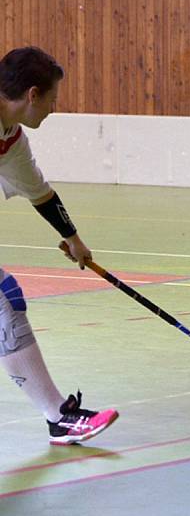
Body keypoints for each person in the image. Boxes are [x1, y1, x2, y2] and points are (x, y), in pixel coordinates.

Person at [0, 47, 118, 445]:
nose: (53, 108)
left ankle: (58, 417)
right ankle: (57, 416)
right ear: (32, 94)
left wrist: (74, 240)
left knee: (5, 299)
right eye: (52, 99)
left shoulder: (10, 138)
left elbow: (40, 193)